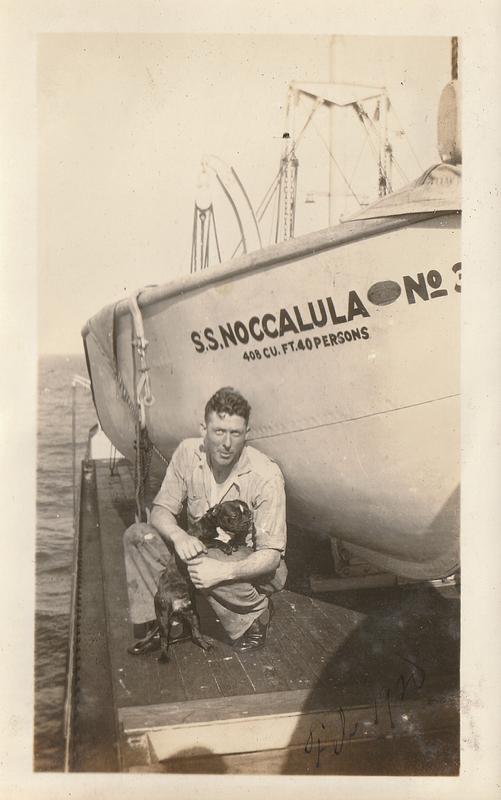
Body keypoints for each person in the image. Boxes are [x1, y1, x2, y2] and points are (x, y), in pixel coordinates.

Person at [123, 386, 287, 654]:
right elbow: (160, 510)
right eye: (219, 431)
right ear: (203, 429)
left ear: (247, 433)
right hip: (205, 551)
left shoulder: (266, 475)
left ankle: (255, 618)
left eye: (235, 433)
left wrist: (222, 572)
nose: (226, 443)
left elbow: (271, 557)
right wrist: (179, 536)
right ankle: (168, 623)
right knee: (138, 537)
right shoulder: (188, 453)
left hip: (254, 566)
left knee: (203, 559)